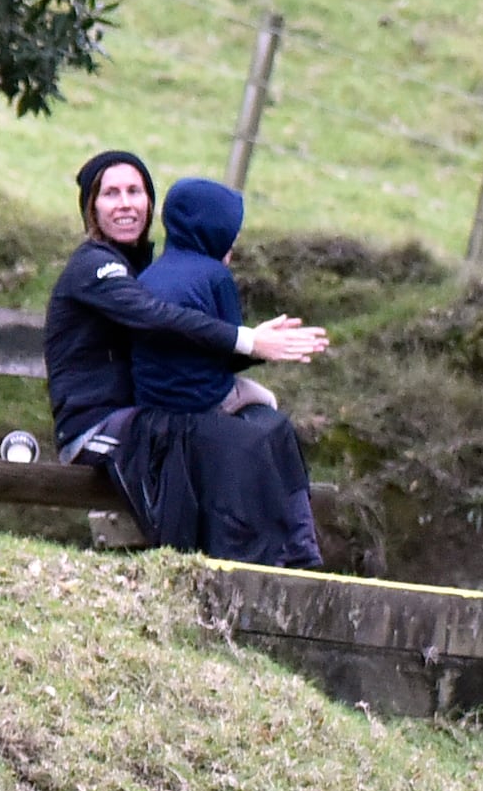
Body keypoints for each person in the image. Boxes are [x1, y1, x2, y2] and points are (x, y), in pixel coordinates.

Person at [41, 146, 325, 464]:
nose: (125, 203)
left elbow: (180, 350)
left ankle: (285, 511)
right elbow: (153, 316)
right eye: (110, 193)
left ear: (150, 203)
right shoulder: (93, 266)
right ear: (91, 209)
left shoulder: (143, 269)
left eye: (134, 191)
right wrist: (245, 339)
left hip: (140, 417)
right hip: (94, 430)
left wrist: (258, 346)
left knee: (258, 425)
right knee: (221, 447)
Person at [111, 176, 327, 564]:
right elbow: (226, 354)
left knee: (261, 412)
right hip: (201, 404)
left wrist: (259, 342)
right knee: (269, 415)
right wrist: (264, 346)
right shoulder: (214, 277)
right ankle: (296, 551)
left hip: (154, 406)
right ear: (214, 231)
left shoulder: (149, 275)